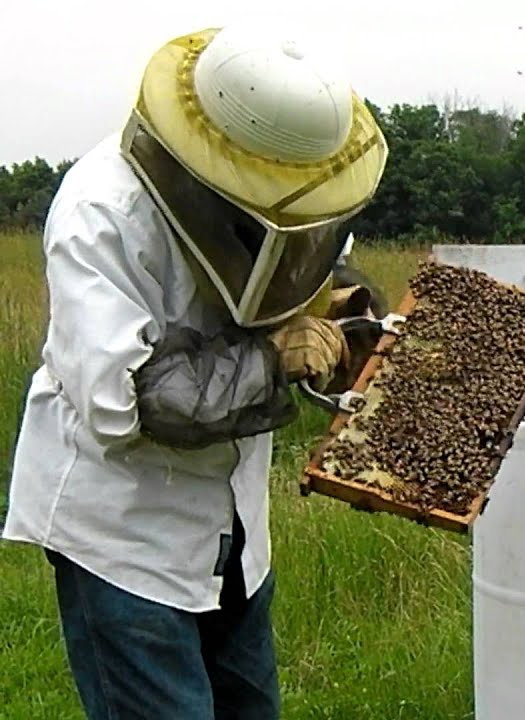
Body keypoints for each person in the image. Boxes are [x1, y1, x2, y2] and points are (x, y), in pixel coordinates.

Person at [1, 24, 388, 719]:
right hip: (125, 539)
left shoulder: (292, 182)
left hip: (237, 539)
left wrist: (343, 319)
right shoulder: (101, 215)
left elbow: (312, 267)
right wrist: (274, 357)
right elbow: (134, 402)